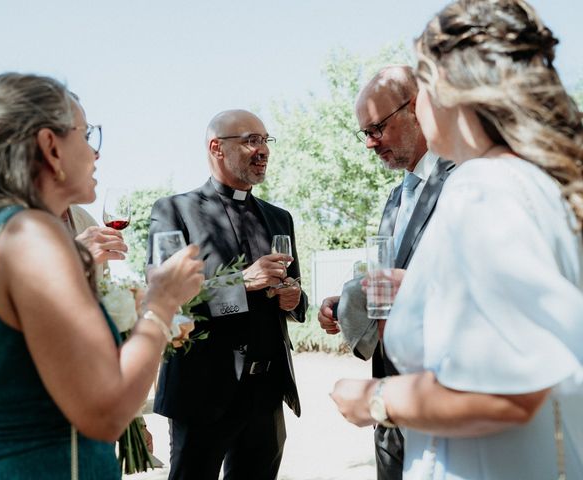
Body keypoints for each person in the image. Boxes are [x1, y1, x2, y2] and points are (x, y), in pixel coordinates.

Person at [331, 0, 583, 478]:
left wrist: (375, 399)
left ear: (445, 90)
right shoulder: (536, 181)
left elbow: (507, 395)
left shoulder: (480, 188)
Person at [0, 72, 204, 479]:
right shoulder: (34, 233)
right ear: (50, 146)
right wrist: (161, 304)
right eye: (87, 136)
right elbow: (105, 414)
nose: (95, 153)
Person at [147, 109, 308, 480]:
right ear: (216, 147)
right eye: (251, 140)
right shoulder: (174, 211)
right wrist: (240, 283)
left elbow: (296, 292)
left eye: (266, 140)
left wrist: (295, 299)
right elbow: (166, 302)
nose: (263, 149)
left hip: (267, 395)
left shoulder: (280, 218)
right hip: (201, 393)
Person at [318, 65, 454, 480]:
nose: (369, 143)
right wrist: (348, 304)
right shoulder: (397, 197)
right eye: (365, 133)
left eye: (377, 127)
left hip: (445, 399)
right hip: (389, 404)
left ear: (415, 107)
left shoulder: (465, 181)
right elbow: (394, 280)